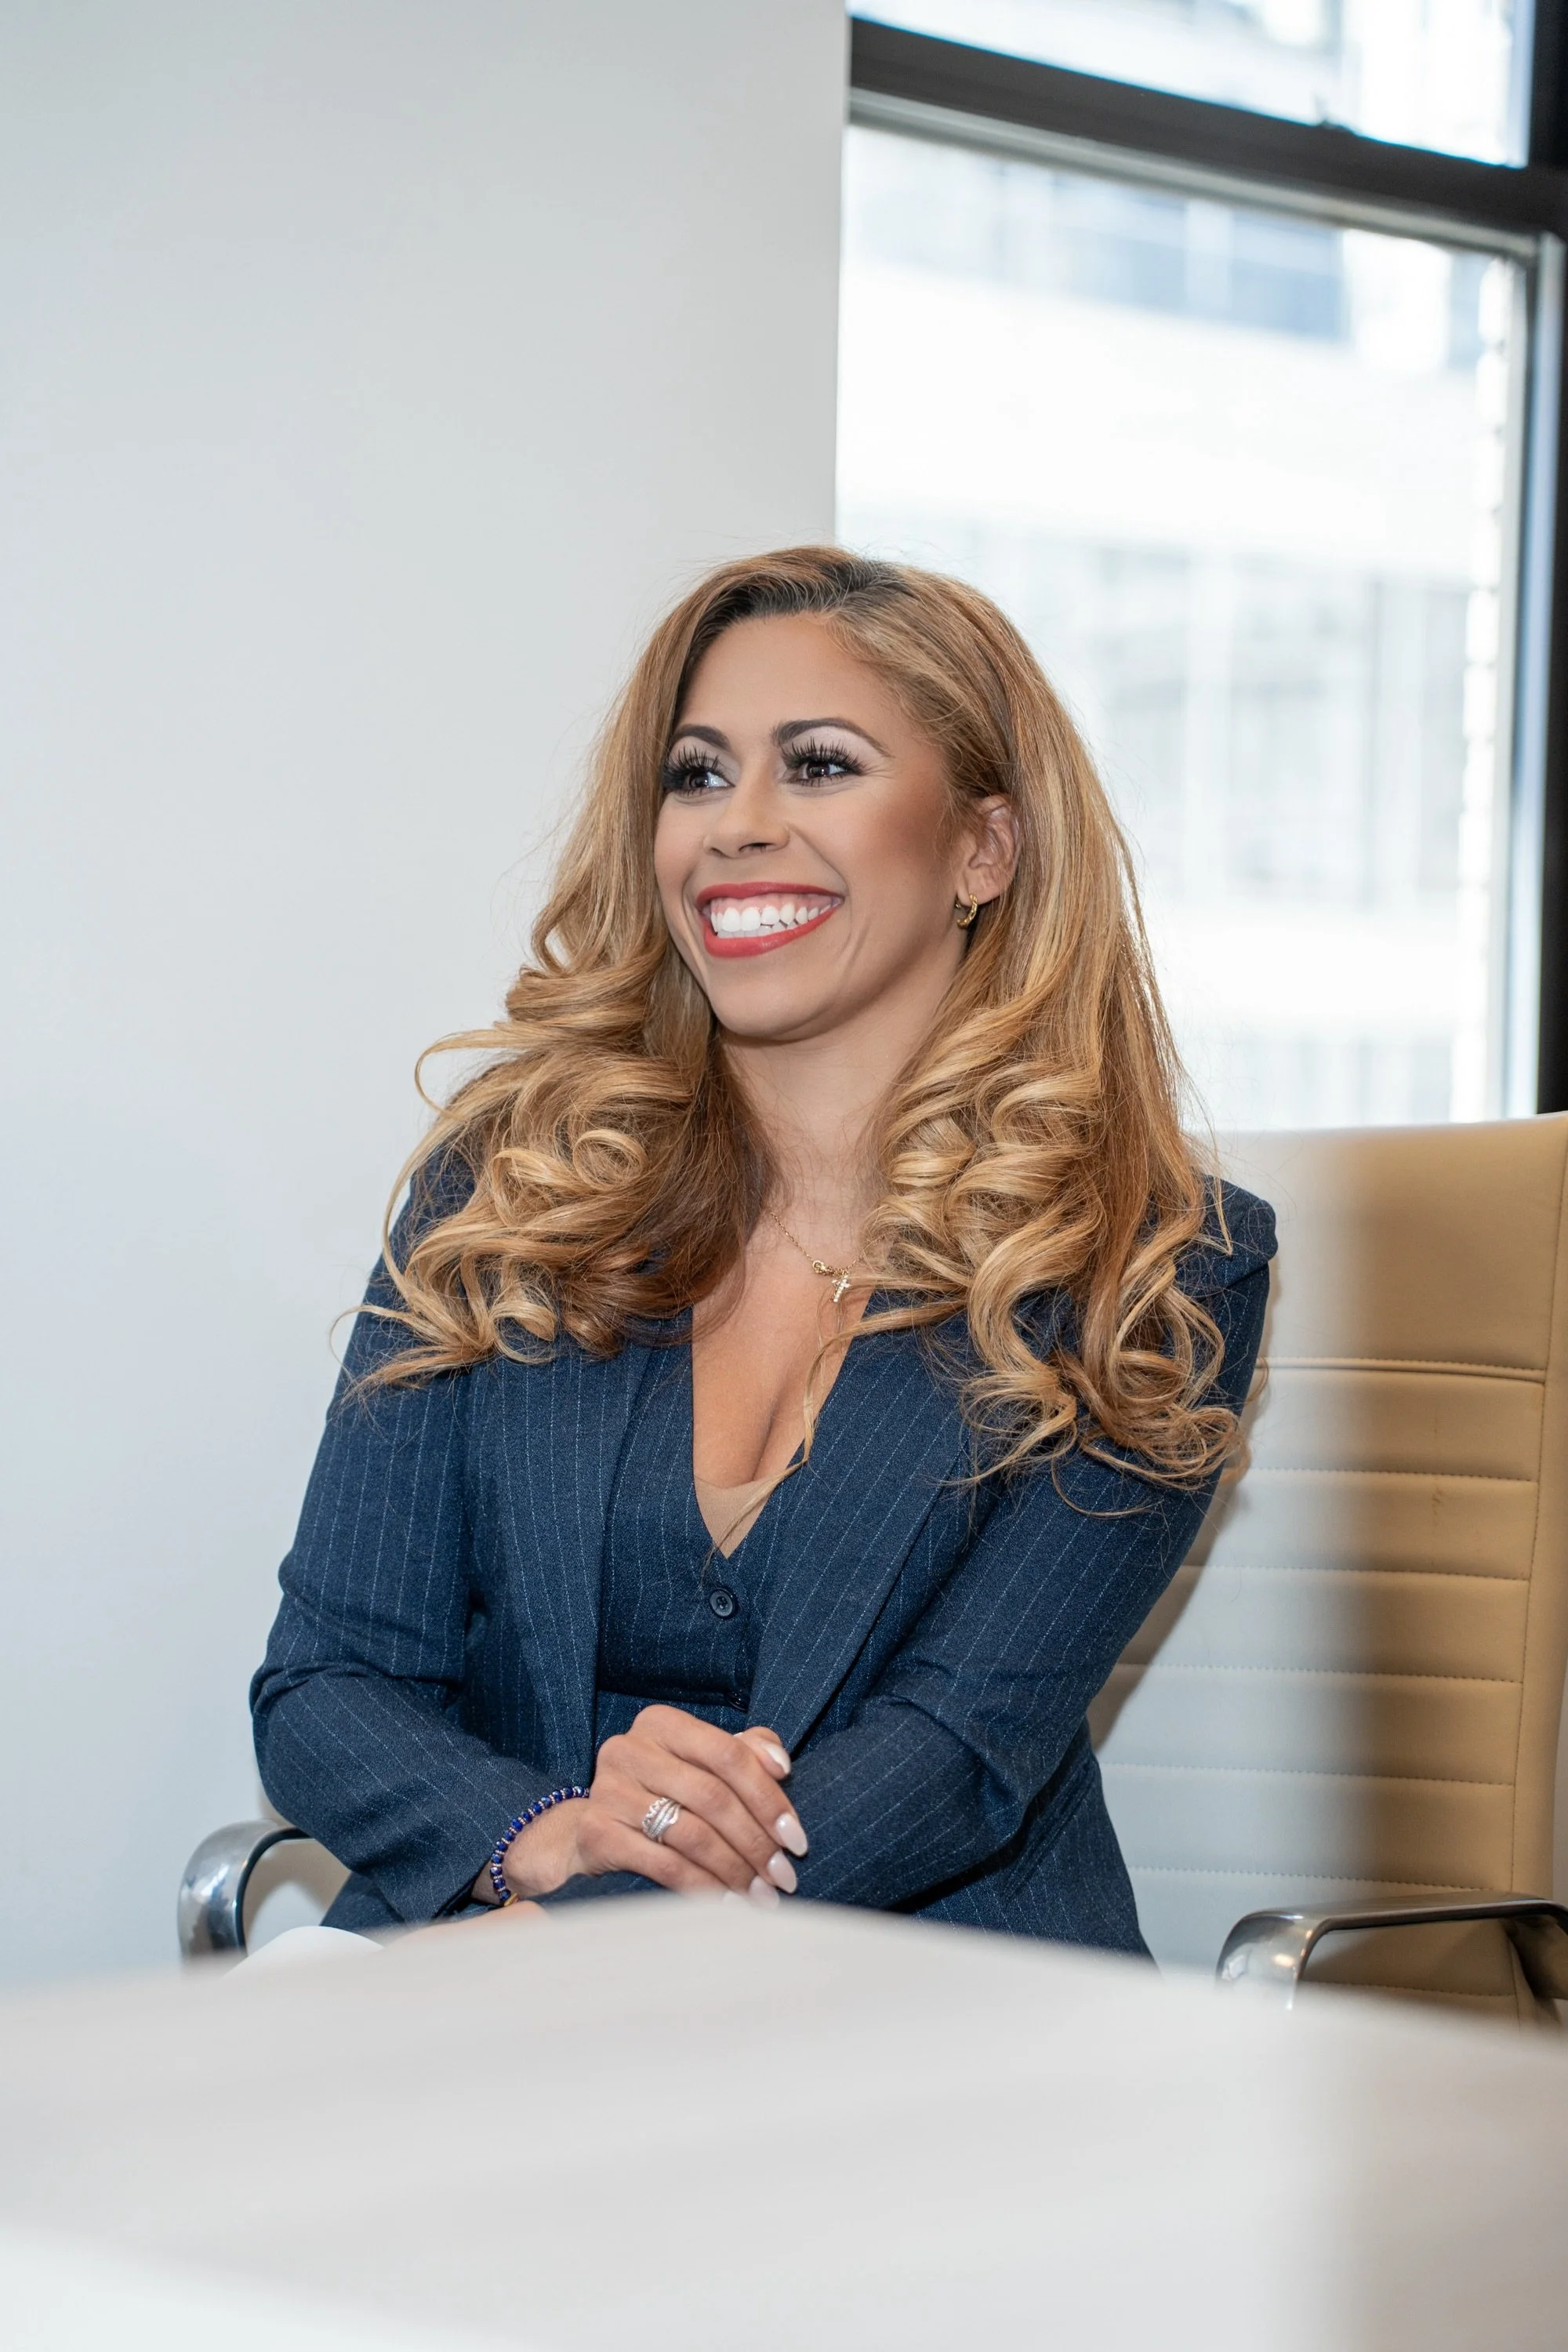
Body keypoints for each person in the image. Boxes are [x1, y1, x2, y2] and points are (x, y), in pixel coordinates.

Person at [251, 546, 1274, 1952]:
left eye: (821, 766)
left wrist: (585, 1941)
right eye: (697, 774)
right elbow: (330, 1681)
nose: (738, 826)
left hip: (929, 2020)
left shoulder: (1154, 1270)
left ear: (984, 847)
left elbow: (958, 1760)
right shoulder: (510, 1191)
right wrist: (536, 1844)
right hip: (508, 1980)